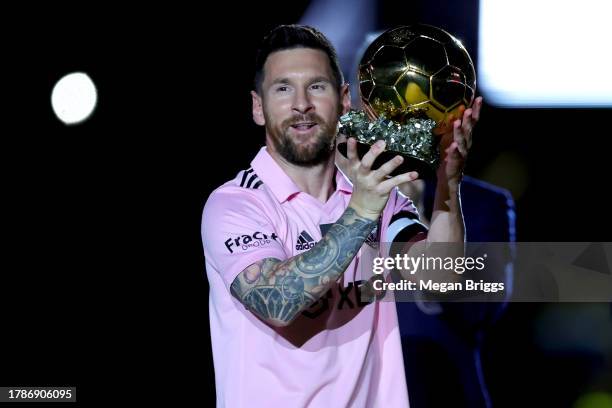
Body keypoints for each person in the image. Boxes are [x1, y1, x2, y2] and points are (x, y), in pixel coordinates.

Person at [201, 24, 481, 407]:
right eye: (283, 88)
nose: (301, 103)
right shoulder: (236, 204)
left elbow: (441, 280)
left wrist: (449, 186)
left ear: (345, 99)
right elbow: (276, 302)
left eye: (317, 86)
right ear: (257, 107)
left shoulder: (378, 195)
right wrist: (362, 212)